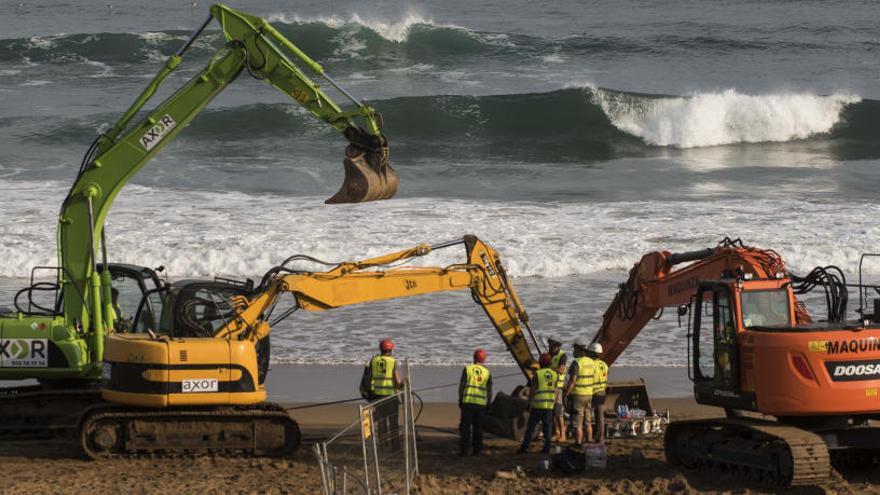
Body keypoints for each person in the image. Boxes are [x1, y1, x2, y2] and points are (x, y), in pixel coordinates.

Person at [360, 339, 403, 448]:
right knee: (393, 421)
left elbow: (368, 377)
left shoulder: (374, 360)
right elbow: (397, 380)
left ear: (381, 349)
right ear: (391, 349)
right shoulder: (392, 361)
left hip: (377, 395)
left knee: (381, 421)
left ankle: (383, 445)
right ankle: (395, 445)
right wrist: (403, 387)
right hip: (390, 395)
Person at [517, 353, 558, 454]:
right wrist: (554, 404)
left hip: (538, 406)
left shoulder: (538, 374)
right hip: (549, 406)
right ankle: (547, 448)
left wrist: (529, 403)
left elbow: (533, 391)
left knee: (530, 428)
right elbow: (556, 390)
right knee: (547, 428)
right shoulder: (555, 374)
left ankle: (524, 447)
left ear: (540, 363)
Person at [458, 348, 492, 456]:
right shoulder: (487, 372)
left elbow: (462, 386)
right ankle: (477, 450)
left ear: (474, 358)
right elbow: (489, 390)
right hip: (481, 404)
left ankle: (464, 450)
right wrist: (488, 402)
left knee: (465, 427)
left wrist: (460, 399)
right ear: (484, 360)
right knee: (478, 428)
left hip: (467, 402)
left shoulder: (467, 369)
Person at [564, 339, 595, 445]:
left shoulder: (577, 363)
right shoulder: (591, 362)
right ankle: (589, 440)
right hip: (589, 394)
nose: (574, 351)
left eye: (575, 349)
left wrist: (566, 393)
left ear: (579, 350)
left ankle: (578, 442)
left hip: (579, 395)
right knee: (588, 421)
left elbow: (572, 381)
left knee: (578, 423)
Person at [547, 336, 568, 443]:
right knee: (552, 412)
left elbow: (561, 370)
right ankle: (557, 433)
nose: (549, 347)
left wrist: (548, 369)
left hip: (558, 388)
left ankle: (563, 435)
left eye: (551, 345)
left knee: (559, 413)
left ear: (557, 346)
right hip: (550, 387)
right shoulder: (550, 354)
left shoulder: (562, 355)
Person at [587, 342, 608, 443]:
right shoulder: (604, 365)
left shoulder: (591, 365)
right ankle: (600, 436)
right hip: (601, 392)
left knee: (587, 415)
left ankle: (589, 435)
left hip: (592, 392)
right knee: (600, 415)